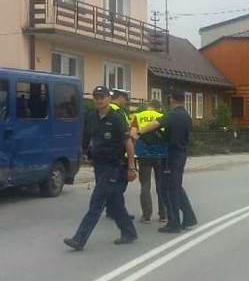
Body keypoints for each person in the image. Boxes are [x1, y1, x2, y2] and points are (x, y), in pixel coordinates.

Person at [64, 86, 138, 251]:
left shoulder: (117, 118)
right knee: (115, 201)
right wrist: (87, 155)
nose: (99, 100)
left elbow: (128, 143)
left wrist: (132, 167)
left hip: (114, 166)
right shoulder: (92, 118)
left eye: (102, 97)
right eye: (96, 97)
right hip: (99, 165)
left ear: (109, 99)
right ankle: (129, 232)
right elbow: (89, 138)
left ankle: (79, 239)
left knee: (96, 203)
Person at [139, 90, 198, 233]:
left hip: (171, 155)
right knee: (176, 186)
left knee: (168, 188)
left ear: (172, 100)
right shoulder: (186, 116)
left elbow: (155, 124)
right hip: (181, 153)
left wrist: (140, 132)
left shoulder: (173, 115)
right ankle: (189, 217)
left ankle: (174, 222)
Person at [131, 99, 169, 224]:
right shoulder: (162, 117)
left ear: (148, 106)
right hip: (160, 155)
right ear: (158, 108)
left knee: (145, 185)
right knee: (161, 185)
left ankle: (146, 216)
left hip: (144, 155)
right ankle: (163, 214)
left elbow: (132, 135)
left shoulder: (138, 116)